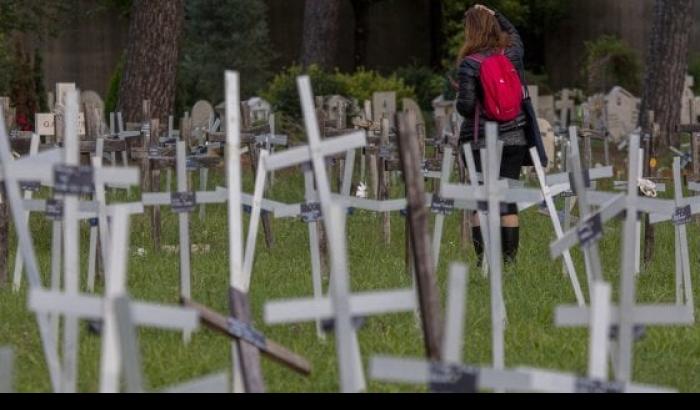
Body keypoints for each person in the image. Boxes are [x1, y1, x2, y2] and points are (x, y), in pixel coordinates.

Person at [456, 4, 547, 266]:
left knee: (481, 200)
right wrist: (495, 13)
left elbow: (466, 107)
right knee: (507, 200)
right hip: (515, 138)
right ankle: (509, 262)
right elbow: (515, 33)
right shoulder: (513, 55)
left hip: (480, 141)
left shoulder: (470, 64)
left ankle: (484, 260)